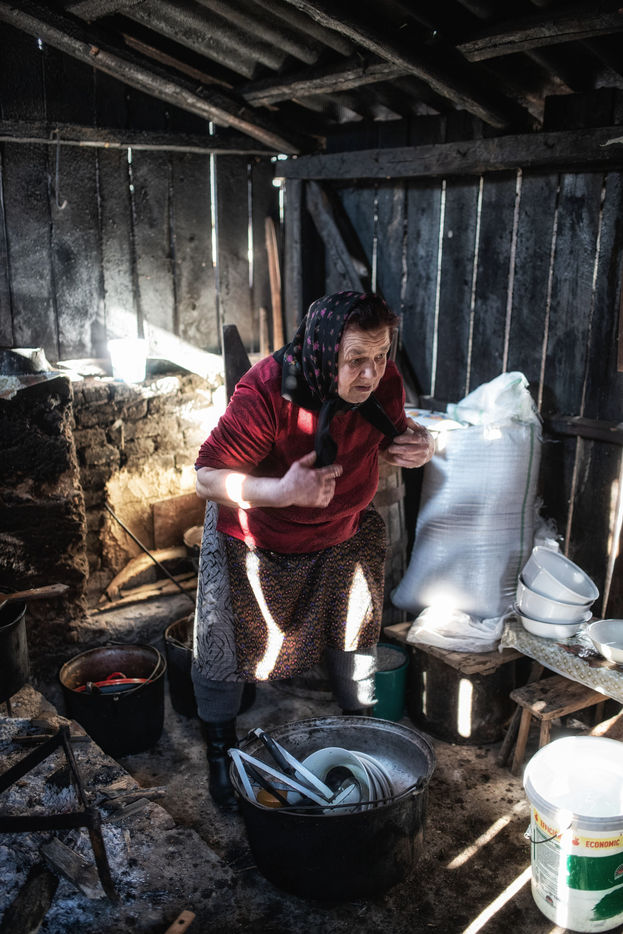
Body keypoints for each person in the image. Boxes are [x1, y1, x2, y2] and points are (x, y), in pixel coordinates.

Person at [192, 291, 434, 807]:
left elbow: (394, 435)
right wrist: (282, 491)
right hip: (255, 539)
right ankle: (219, 752)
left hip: (343, 530)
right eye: (356, 359)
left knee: (354, 633)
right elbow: (207, 478)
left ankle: (360, 733)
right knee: (223, 646)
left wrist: (418, 445)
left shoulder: (382, 381)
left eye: (381, 356)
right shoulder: (265, 392)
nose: (371, 373)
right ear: (324, 352)